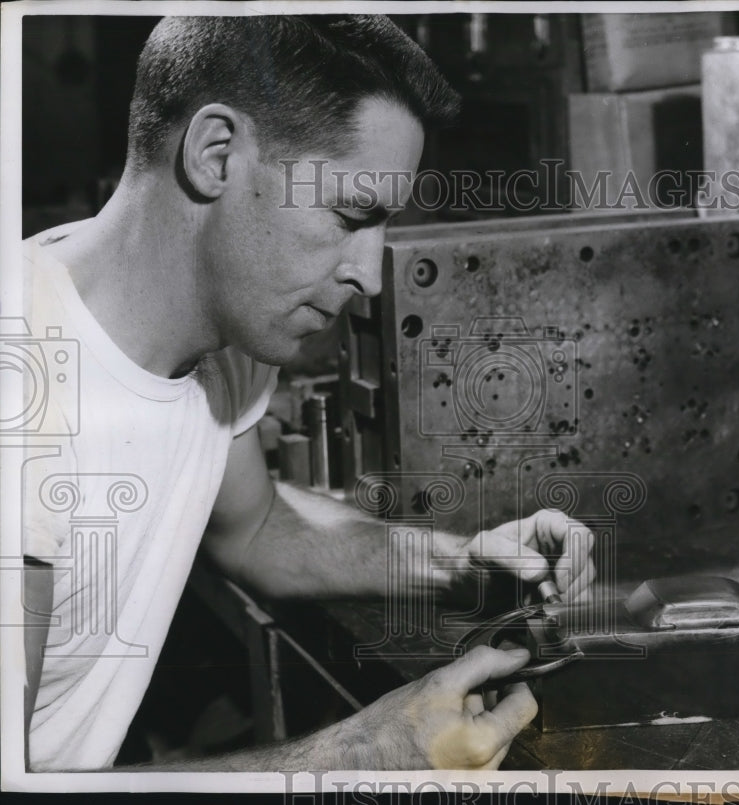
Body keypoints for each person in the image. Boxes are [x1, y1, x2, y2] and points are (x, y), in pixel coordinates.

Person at [20, 15, 596, 773]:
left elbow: (252, 526)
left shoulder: (223, 334)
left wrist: (471, 565)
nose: (372, 274)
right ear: (215, 152)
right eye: (352, 216)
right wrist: (363, 750)